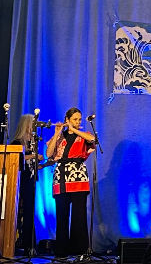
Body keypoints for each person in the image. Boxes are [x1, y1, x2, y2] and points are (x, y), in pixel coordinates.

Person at [45, 107, 96, 257]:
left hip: (78, 175)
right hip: (61, 176)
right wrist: (56, 134)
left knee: (78, 216)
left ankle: (79, 250)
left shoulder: (84, 135)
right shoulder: (61, 136)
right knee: (62, 214)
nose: (78, 121)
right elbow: (49, 154)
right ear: (67, 119)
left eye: (79, 119)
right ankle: (61, 251)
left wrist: (75, 128)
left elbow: (92, 140)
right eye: (75, 119)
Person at [11, 114, 44, 254]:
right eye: (33, 124)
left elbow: (32, 164)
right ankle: (16, 242)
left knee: (30, 213)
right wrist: (32, 156)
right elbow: (15, 160)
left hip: (30, 182)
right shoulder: (17, 143)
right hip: (19, 183)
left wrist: (45, 163)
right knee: (18, 213)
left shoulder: (33, 144)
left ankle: (29, 245)